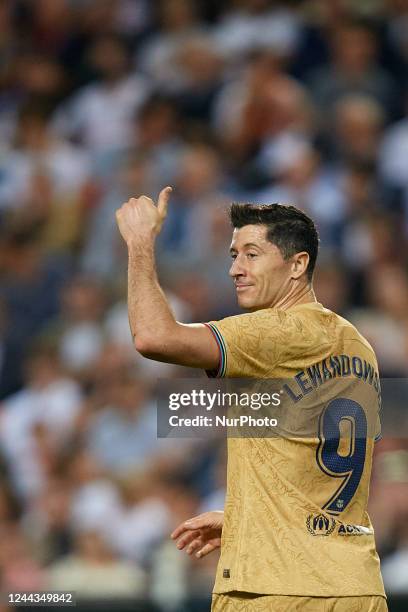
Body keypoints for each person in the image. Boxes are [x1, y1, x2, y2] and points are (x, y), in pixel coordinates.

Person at [115, 189, 387, 611]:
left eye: (252, 255)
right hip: (355, 586)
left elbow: (154, 337)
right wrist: (249, 520)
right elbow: (313, 461)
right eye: (233, 255)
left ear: (298, 264)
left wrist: (139, 243)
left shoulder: (275, 332)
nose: (235, 269)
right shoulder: (358, 347)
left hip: (273, 589)